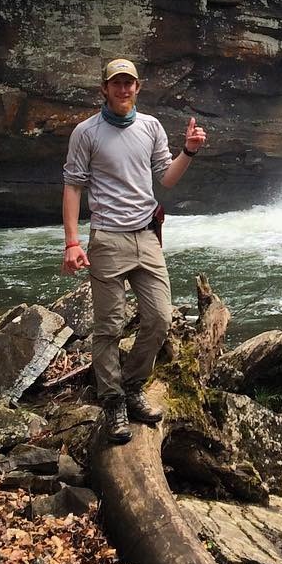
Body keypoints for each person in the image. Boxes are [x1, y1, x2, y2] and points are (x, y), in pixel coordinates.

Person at [61, 58, 207, 444]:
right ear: (104, 89)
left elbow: (167, 179)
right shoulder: (86, 132)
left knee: (159, 317)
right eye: (116, 83)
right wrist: (72, 242)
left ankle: (132, 386)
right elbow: (74, 186)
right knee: (108, 327)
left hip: (147, 236)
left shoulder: (151, 127)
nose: (124, 89)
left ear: (138, 87)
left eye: (130, 83)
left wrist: (188, 152)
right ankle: (113, 404)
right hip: (107, 237)